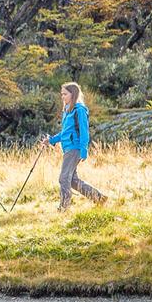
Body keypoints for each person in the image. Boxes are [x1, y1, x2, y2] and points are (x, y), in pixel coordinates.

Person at [48, 82, 107, 210]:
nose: (62, 96)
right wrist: (51, 140)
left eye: (65, 94)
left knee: (64, 178)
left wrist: (83, 149)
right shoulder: (68, 111)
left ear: (73, 94)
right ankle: (99, 198)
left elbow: (84, 131)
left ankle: (64, 207)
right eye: (61, 94)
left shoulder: (79, 110)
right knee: (73, 180)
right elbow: (65, 132)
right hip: (68, 148)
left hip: (74, 148)